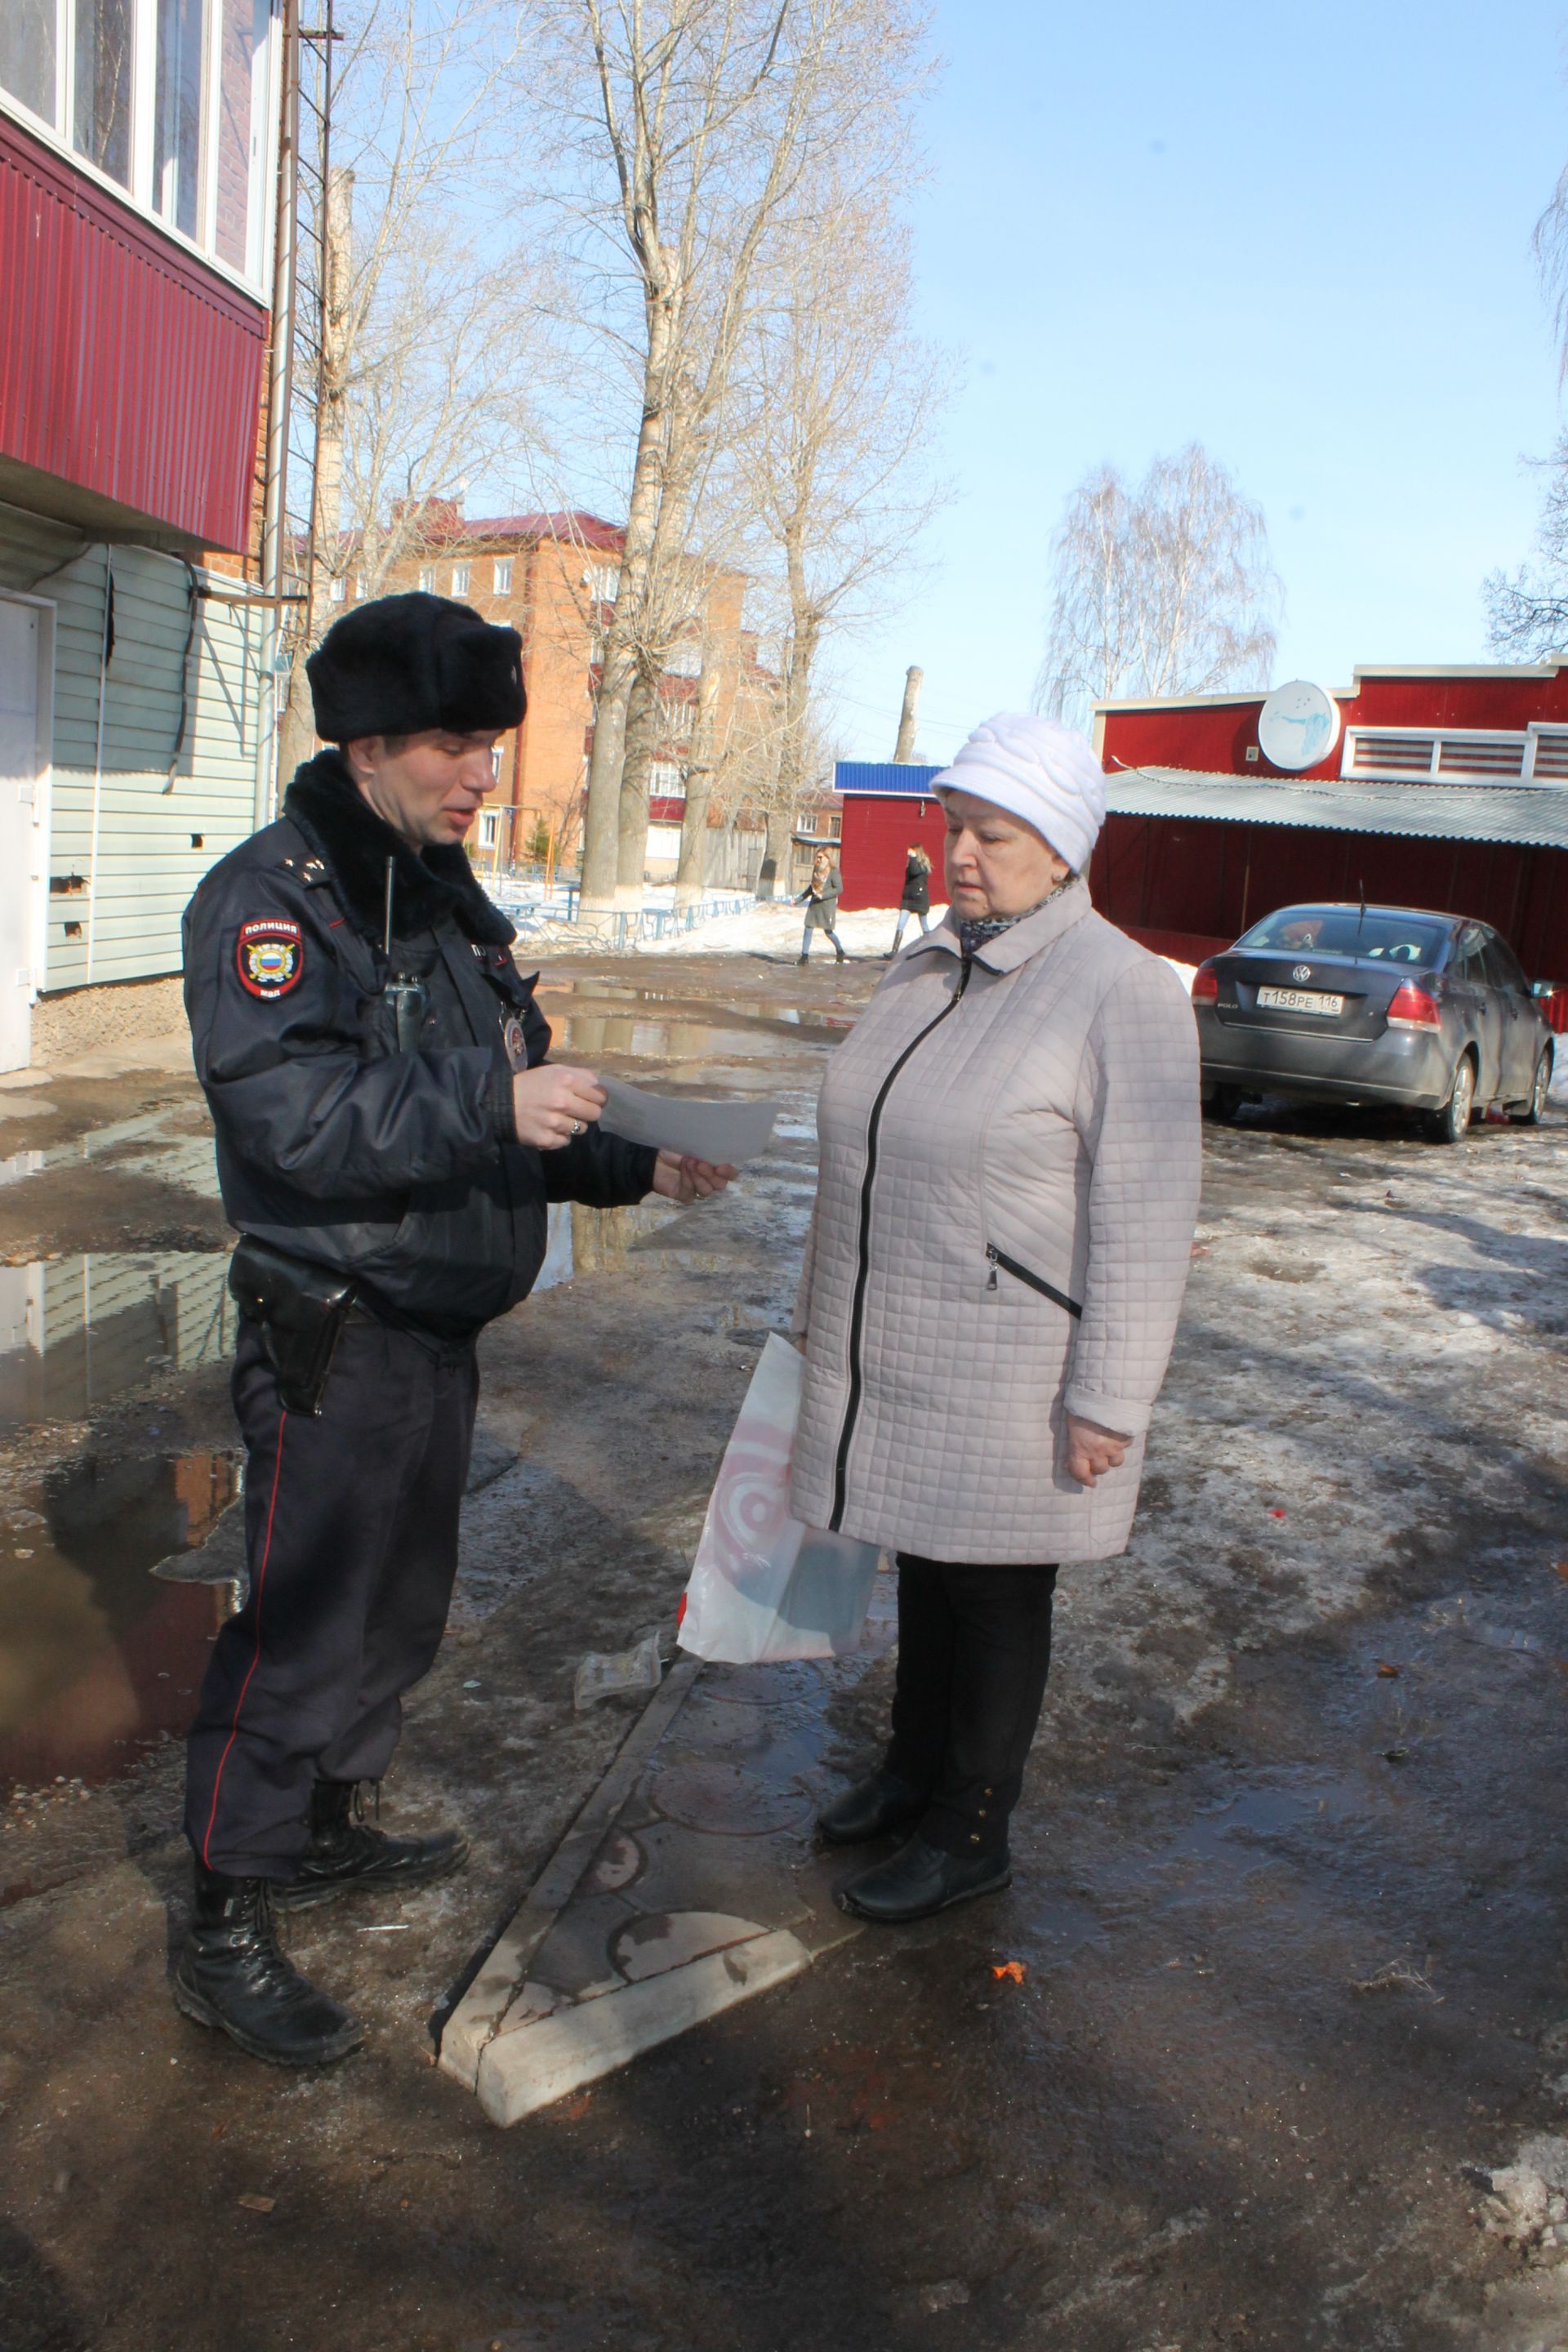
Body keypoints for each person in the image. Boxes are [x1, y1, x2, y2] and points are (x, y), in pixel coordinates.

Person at [176, 592, 735, 2065]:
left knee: (400, 1607)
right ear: (365, 746)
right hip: (335, 1325)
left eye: (490, 741)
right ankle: (224, 1908)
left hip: (435, 1325)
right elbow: (289, 1118)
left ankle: (328, 1820)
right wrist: (491, 1105)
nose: (482, 772)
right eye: (452, 743)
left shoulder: (440, 891)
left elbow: (515, 1087)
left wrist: (634, 1157)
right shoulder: (271, 901)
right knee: (301, 1625)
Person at [790, 711, 1200, 1924]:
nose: (963, 855)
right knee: (923, 1564)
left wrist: (1111, 1399)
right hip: (902, 1341)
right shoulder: (926, 963)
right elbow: (853, 1153)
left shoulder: (1119, 990)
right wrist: (820, 1312)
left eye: (996, 834)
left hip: (1019, 1364)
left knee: (998, 1593)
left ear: (1064, 848)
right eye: (955, 828)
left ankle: (975, 1827)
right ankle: (913, 1774)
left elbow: (1145, 1209)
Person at [797, 847, 847, 964]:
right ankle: (804, 957)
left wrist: (823, 895)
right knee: (808, 927)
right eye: (817, 857)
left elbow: (839, 889)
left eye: (821, 857)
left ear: (827, 858)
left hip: (826, 906)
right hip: (815, 904)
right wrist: (799, 899)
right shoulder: (816, 870)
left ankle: (840, 951)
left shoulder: (834, 871)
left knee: (828, 931)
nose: (818, 860)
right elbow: (812, 888)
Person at [888, 844, 933, 956]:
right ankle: (894, 951)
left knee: (924, 925)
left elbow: (914, 872)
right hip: (908, 899)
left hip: (920, 898)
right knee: (901, 924)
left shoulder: (923, 865)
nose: (909, 853)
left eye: (911, 851)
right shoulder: (911, 863)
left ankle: (930, 947)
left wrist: (912, 858)